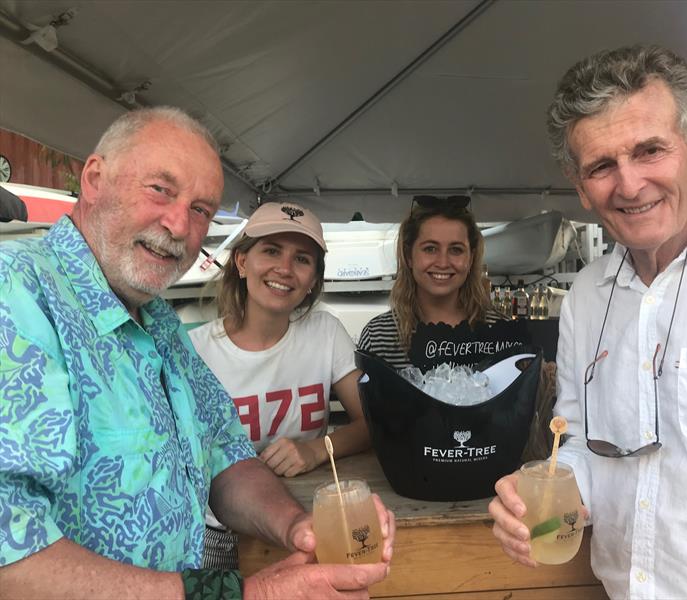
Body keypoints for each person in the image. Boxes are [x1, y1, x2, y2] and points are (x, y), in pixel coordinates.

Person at [0, 107, 394, 599]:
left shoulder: (159, 321)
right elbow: (9, 557)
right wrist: (249, 595)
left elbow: (226, 457)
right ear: (95, 179)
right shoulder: (14, 292)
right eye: (160, 189)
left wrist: (300, 527)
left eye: (202, 209)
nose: (180, 224)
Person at [490, 45, 687, 599]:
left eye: (650, 150)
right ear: (580, 185)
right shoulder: (587, 294)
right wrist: (538, 493)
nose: (629, 186)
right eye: (602, 166)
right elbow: (580, 442)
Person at [189, 201, 370, 568]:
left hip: (307, 517)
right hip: (218, 535)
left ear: (314, 279)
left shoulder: (326, 332)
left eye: (302, 259)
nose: (284, 269)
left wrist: (318, 449)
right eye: (271, 251)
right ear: (241, 262)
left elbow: (374, 425)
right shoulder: (195, 350)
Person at [357, 196, 504, 370]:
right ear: (409, 256)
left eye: (456, 250)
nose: (443, 263)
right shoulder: (378, 338)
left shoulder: (501, 333)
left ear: (471, 258)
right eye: (430, 249)